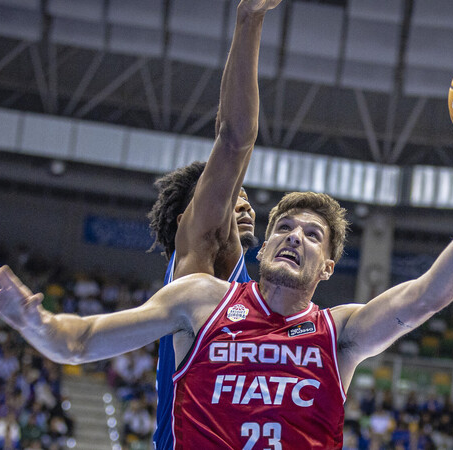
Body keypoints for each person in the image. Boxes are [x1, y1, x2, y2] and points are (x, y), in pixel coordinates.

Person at [0, 95, 453, 447]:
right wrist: (30, 320)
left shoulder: (339, 333)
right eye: (284, 227)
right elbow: (79, 341)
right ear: (264, 245)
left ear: (326, 267)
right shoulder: (201, 300)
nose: (293, 236)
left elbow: (430, 295)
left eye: (312, 234)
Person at [145, 0, 279, 446]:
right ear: (188, 219)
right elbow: (234, 137)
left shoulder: (244, 286)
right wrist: (250, 19)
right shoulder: (198, 258)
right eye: (230, 198)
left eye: (245, 198)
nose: (243, 206)